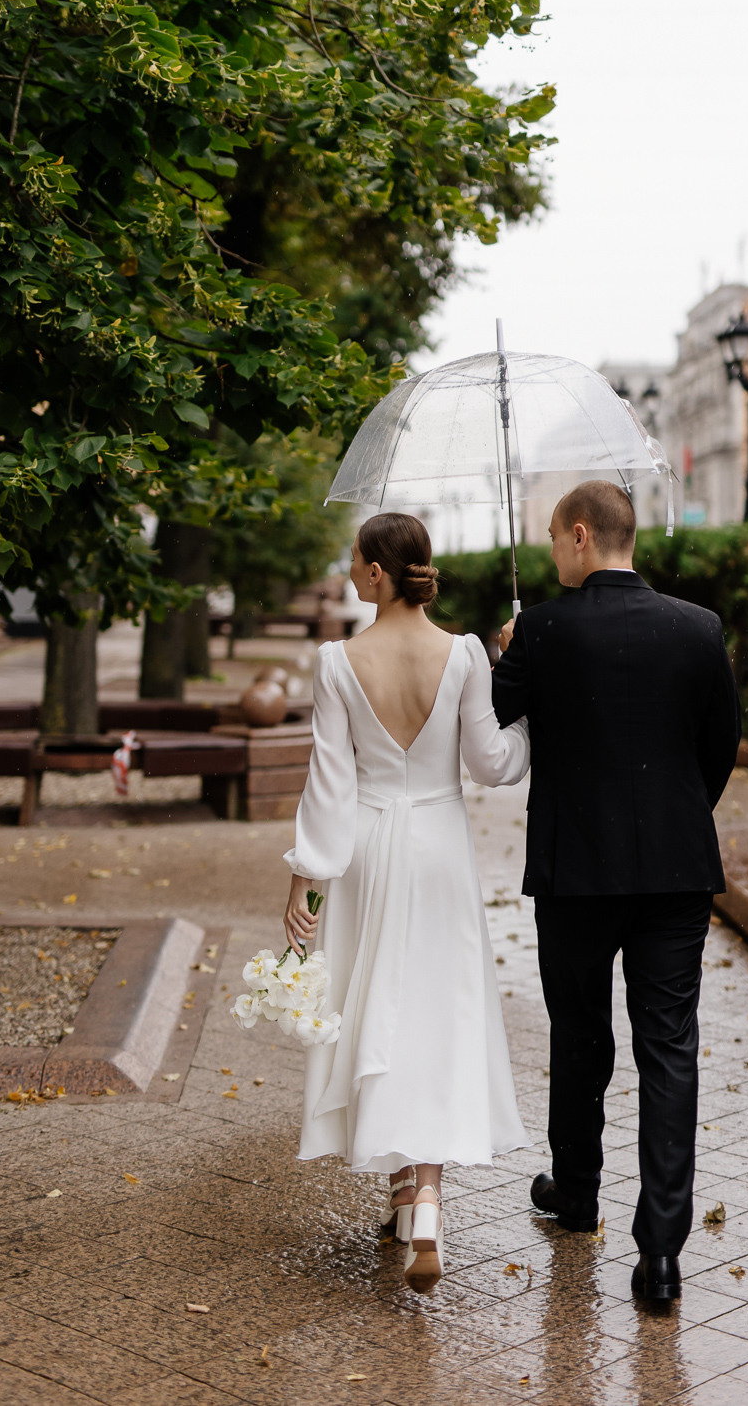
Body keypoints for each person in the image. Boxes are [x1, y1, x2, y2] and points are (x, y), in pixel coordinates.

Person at [491, 480, 741, 1305]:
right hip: (676, 871)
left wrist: (508, 650)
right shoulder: (699, 628)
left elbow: (500, 714)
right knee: (668, 1049)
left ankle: (577, 1196)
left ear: (580, 534)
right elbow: (720, 746)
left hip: (576, 871)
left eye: (555, 539)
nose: (555, 553)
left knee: (580, 1035)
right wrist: (672, 819)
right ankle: (661, 1254)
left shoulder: (545, 628)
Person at [282, 512, 530, 1293]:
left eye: (358, 561)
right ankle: (421, 1194)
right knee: (433, 1010)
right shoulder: (464, 654)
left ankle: (406, 1193)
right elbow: (492, 764)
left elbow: (331, 782)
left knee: (377, 1009)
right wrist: (527, 711)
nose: (352, 570)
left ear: (381, 573)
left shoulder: (336, 661)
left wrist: (306, 875)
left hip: (363, 850)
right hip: (439, 848)